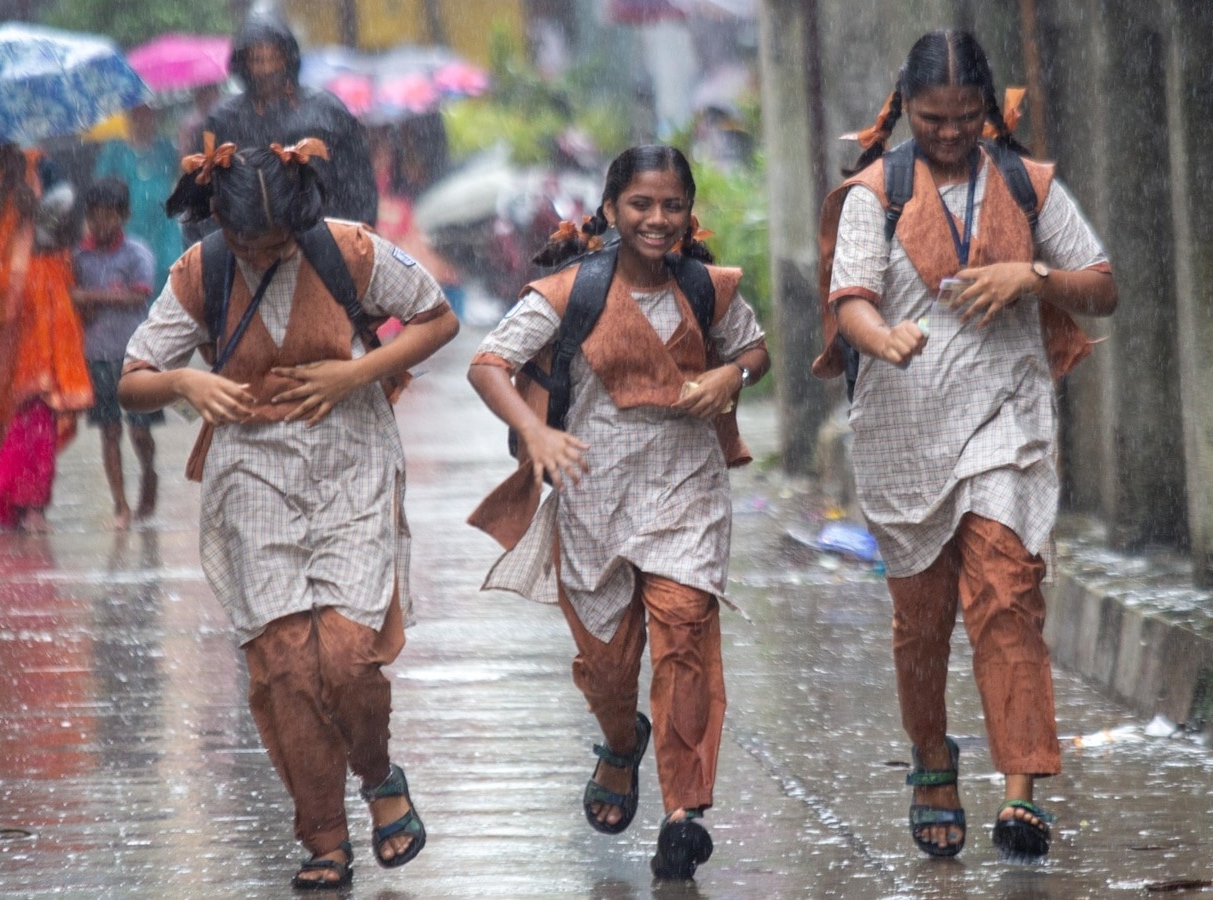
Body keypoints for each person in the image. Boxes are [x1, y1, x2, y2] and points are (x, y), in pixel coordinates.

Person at [117, 140, 458, 889]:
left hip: (352, 461)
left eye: (277, 243)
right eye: (247, 242)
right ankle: (325, 837)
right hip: (250, 473)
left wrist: (356, 372)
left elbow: (438, 319)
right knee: (283, 663)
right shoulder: (200, 272)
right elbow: (131, 381)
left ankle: (377, 773)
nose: (262, 255)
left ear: (303, 216)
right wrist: (185, 384)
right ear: (217, 222)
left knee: (344, 656)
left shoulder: (349, 250)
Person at [814, 29, 1117, 861]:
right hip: (903, 432)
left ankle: (1021, 791)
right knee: (922, 625)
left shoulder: (1027, 185)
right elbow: (850, 301)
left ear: (989, 109)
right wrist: (882, 339)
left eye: (965, 117)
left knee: (1008, 595)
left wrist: (1034, 277)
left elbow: (1102, 285)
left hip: (1007, 423)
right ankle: (931, 758)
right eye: (931, 118)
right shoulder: (874, 194)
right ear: (904, 110)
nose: (948, 134)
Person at [467, 145, 770, 881]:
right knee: (607, 668)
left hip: (687, 491)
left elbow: (755, 351)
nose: (657, 220)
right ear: (609, 211)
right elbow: (488, 364)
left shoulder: (711, 290)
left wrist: (730, 375)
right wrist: (536, 433)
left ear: (689, 213)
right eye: (640, 204)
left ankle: (681, 813)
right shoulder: (570, 294)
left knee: (686, 633)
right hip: (592, 497)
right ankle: (618, 737)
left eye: (671, 205)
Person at [0, 143, 91, 533]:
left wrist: (34, 205)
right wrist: (4, 191)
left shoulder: (44, 166)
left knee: (39, 400)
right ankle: (19, 495)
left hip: (43, 295)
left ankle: (28, 500)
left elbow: (67, 229)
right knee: (6, 406)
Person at [194, 14, 376, 227]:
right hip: (247, 247)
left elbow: (359, 185)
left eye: (274, 58)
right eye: (257, 60)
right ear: (244, 64)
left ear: (288, 58)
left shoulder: (326, 112)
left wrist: (352, 239)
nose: (267, 69)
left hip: (323, 239)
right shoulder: (224, 120)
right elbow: (203, 193)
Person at [72, 178, 159, 531]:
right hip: (98, 357)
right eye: (94, 217)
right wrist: (86, 305)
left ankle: (148, 474)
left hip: (136, 355)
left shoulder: (137, 254)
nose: (100, 224)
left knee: (140, 431)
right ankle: (120, 505)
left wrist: (91, 298)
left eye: (108, 216)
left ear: (123, 216)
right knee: (109, 431)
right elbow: (74, 302)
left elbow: (139, 297)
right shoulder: (79, 257)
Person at [94, 104, 183, 294]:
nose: (143, 121)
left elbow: (184, 174)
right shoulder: (116, 151)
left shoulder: (165, 148)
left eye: (147, 115)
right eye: (137, 115)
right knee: (133, 277)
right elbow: (100, 189)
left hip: (163, 229)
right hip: (130, 226)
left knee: (170, 276)